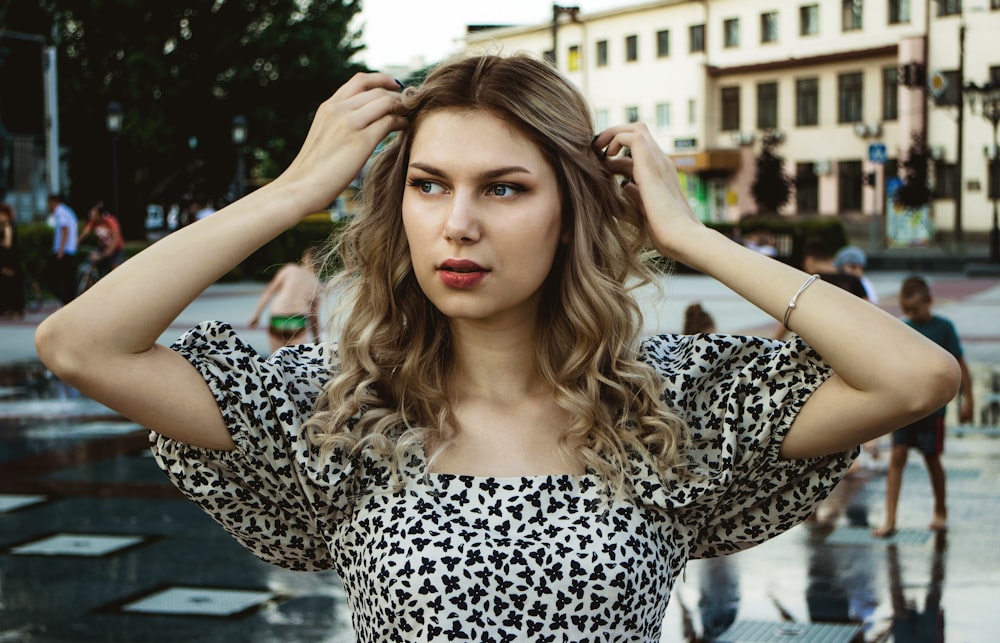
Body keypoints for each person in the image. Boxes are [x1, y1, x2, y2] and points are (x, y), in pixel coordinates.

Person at [35, 54, 960, 641]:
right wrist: (291, 192)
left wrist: (689, 236)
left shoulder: (664, 409)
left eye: (506, 189)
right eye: (430, 185)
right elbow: (81, 344)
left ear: (570, 212)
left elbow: (917, 373)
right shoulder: (339, 410)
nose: (460, 224)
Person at [872, 276, 973, 538]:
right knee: (897, 457)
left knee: (931, 459)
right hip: (906, 406)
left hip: (933, 408)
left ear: (929, 301)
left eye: (915, 309)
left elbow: (961, 365)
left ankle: (940, 509)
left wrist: (968, 399)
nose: (911, 315)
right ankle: (890, 519)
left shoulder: (944, 328)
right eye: (907, 311)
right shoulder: (905, 329)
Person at [248, 246, 322, 353]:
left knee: (276, 361)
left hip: (278, 319)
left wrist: (256, 315)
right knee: (297, 362)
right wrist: (317, 340)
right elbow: (314, 317)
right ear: (320, 265)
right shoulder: (317, 284)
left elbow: (269, 291)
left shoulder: (289, 270)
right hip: (297, 322)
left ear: (304, 258)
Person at [44, 193, 79, 305]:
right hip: (70, 250)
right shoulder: (68, 211)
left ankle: (67, 302)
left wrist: (60, 250)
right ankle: (69, 303)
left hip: (64, 251)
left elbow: (65, 230)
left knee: (53, 279)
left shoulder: (60, 213)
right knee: (68, 280)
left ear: (53, 202)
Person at [78, 201, 125, 279]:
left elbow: (115, 238)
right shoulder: (93, 222)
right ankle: (90, 283)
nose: (91, 214)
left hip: (115, 249)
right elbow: (85, 232)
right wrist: (77, 242)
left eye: (93, 212)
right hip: (103, 247)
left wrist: (107, 253)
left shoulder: (109, 221)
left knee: (115, 268)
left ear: (98, 214)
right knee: (91, 261)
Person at [0, 203, 26, 319]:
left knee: (12, 285)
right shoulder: (6, 225)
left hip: (10, 260)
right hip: (8, 259)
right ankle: (12, 309)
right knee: (9, 284)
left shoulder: (7, 225)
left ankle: (16, 309)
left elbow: (8, 243)